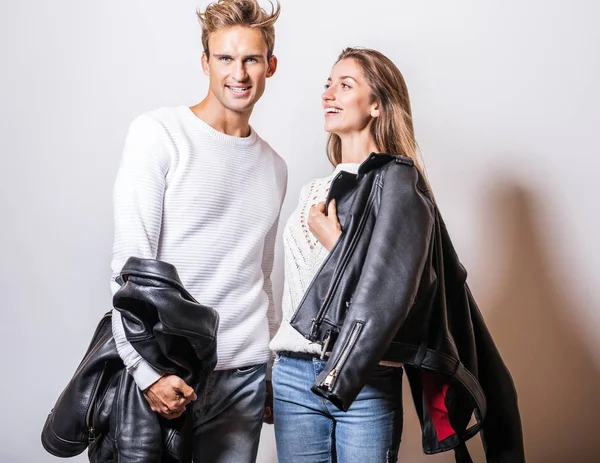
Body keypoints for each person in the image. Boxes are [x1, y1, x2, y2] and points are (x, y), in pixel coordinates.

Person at [270, 47, 524, 463]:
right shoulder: (310, 192)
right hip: (293, 374)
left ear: (376, 105)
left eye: (345, 85)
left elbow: (397, 293)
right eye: (327, 84)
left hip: (367, 376)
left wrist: (338, 245)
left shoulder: (400, 187)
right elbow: (297, 294)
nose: (329, 94)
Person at [109, 1, 286, 462]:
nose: (239, 73)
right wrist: (145, 372)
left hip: (243, 376)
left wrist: (268, 368)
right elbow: (130, 268)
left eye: (251, 59)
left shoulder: (274, 167)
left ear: (270, 65)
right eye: (225, 58)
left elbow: (260, 276)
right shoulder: (159, 134)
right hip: (169, 369)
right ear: (205, 63)